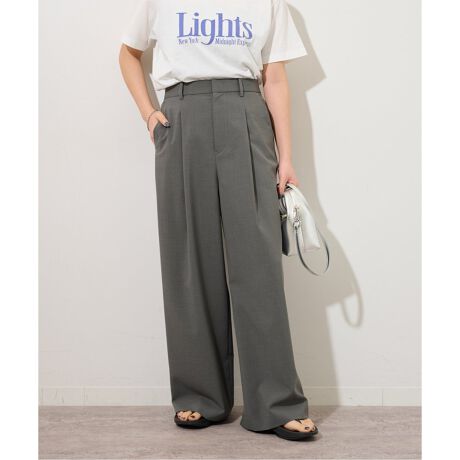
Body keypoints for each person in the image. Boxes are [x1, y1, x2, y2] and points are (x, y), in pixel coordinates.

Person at [119, 0, 318, 441]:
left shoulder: (268, 3)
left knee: (258, 263)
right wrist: (149, 114)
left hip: (246, 113)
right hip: (180, 117)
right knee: (190, 259)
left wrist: (286, 157)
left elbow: (275, 78)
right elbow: (128, 53)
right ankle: (199, 395)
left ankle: (277, 402)